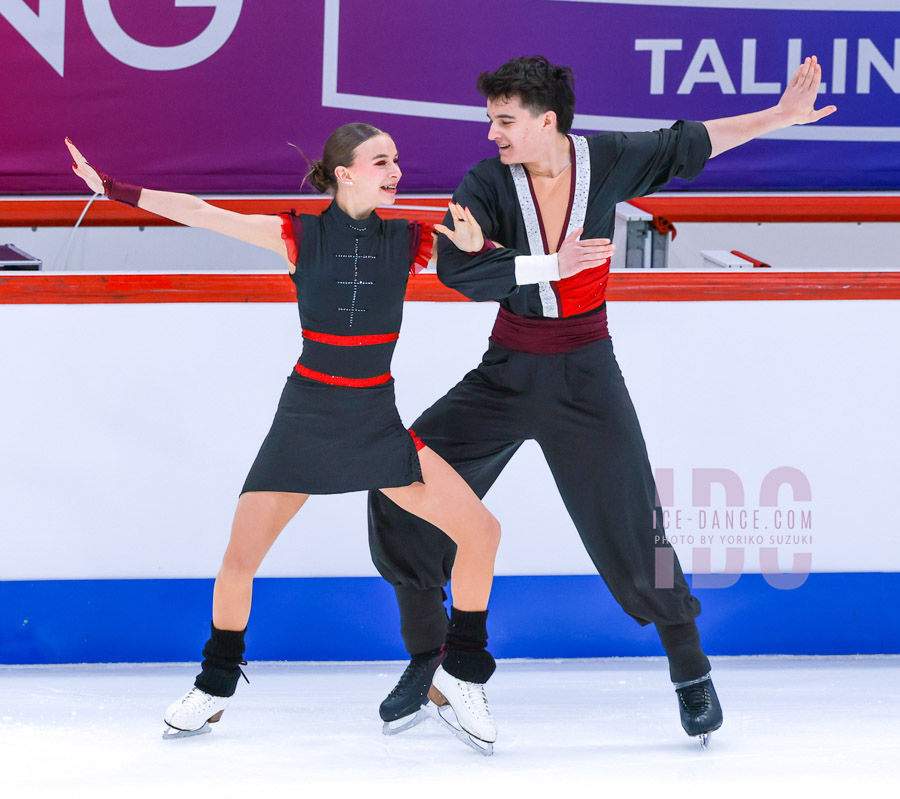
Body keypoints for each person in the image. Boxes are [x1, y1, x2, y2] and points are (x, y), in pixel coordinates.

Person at [368, 55, 836, 747]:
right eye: (490, 119)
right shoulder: (486, 182)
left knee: (634, 522)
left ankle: (690, 667)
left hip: (587, 373)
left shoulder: (608, 160)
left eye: (505, 120)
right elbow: (456, 270)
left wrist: (778, 117)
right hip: (507, 369)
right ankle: (428, 656)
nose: (492, 133)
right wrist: (509, 261)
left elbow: (690, 141)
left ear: (545, 120)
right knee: (397, 481)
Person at [64, 124, 502, 754]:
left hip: (375, 419)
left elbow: (499, 271)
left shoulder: (415, 238)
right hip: (307, 417)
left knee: (481, 532)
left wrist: (480, 247)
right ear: (345, 172)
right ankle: (214, 686)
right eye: (382, 162)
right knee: (240, 558)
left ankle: (461, 673)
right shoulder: (297, 233)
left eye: (398, 161)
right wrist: (111, 188)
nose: (397, 171)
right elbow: (201, 212)